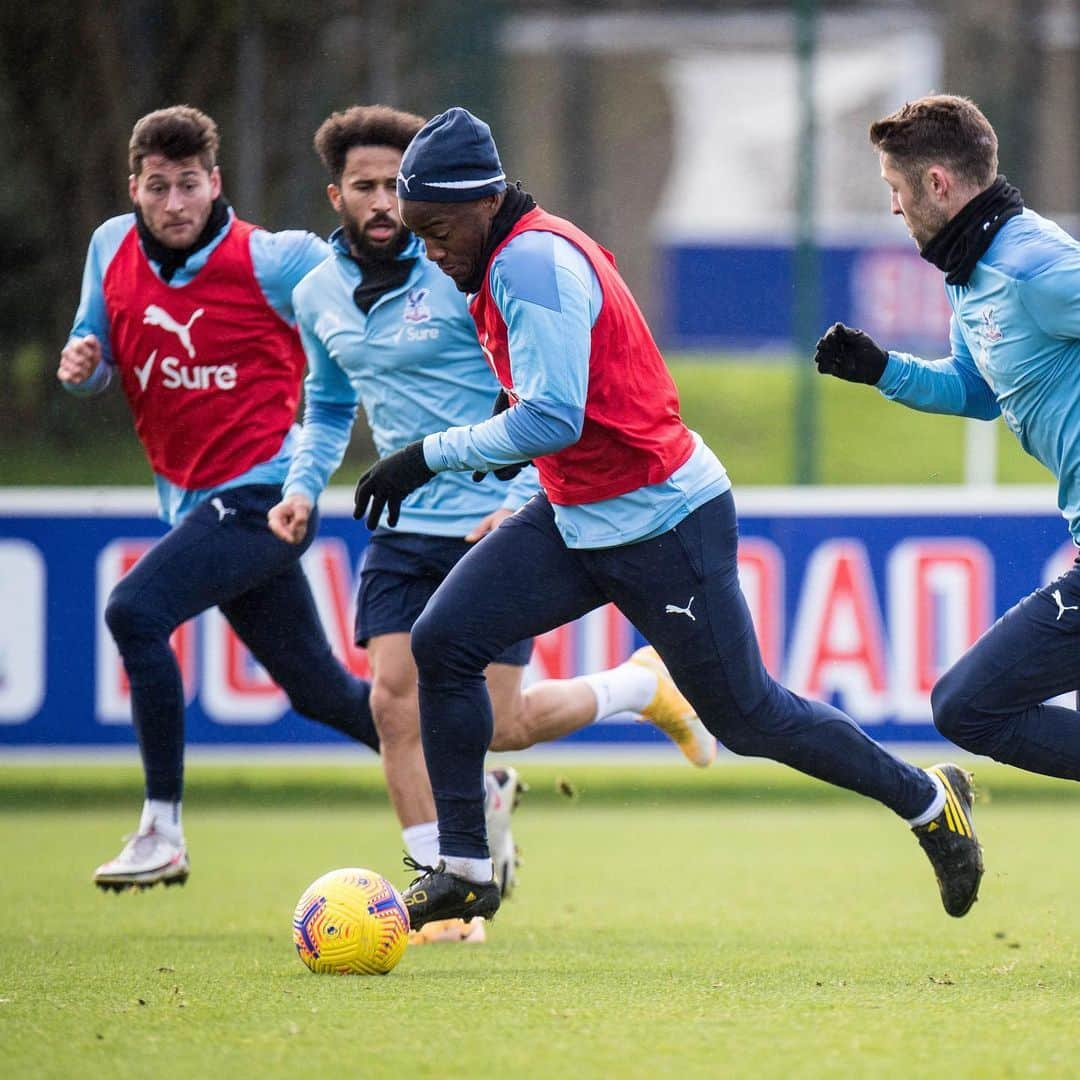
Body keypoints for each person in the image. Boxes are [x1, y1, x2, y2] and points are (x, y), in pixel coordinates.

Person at [350, 106, 984, 932]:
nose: (428, 249)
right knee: (444, 642)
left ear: (483, 202)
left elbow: (555, 417)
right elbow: (572, 402)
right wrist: (514, 459)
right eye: (416, 230)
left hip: (664, 524)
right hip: (579, 511)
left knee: (751, 717)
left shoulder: (530, 263)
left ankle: (928, 799)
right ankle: (465, 868)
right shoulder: (507, 256)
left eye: (436, 229)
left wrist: (426, 455)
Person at [266, 105, 719, 940]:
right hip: (403, 529)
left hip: (491, 516)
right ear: (337, 194)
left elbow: (538, 397)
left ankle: (640, 687)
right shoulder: (317, 293)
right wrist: (302, 483)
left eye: (388, 185)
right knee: (392, 705)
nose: (378, 203)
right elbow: (326, 405)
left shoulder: (466, 268)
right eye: (362, 186)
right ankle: (444, 891)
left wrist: (519, 501)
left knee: (504, 724)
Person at [59, 105, 387, 892]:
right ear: (135, 188)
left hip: (271, 495)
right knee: (319, 690)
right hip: (193, 503)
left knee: (133, 612)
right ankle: (469, 778)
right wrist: (86, 365)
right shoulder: (109, 246)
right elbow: (97, 351)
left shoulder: (273, 260)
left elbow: (359, 287)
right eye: (159, 186)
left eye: (191, 184)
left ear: (217, 183)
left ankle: (161, 830)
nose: (176, 203)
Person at [813, 94, 1080, 787]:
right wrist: (882, 371)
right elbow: (976, 390)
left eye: (895, 190)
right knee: (967, 706)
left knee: (971, 706)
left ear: (937, 183)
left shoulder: (1030, 265)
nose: (894, 208)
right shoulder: (972, 273)